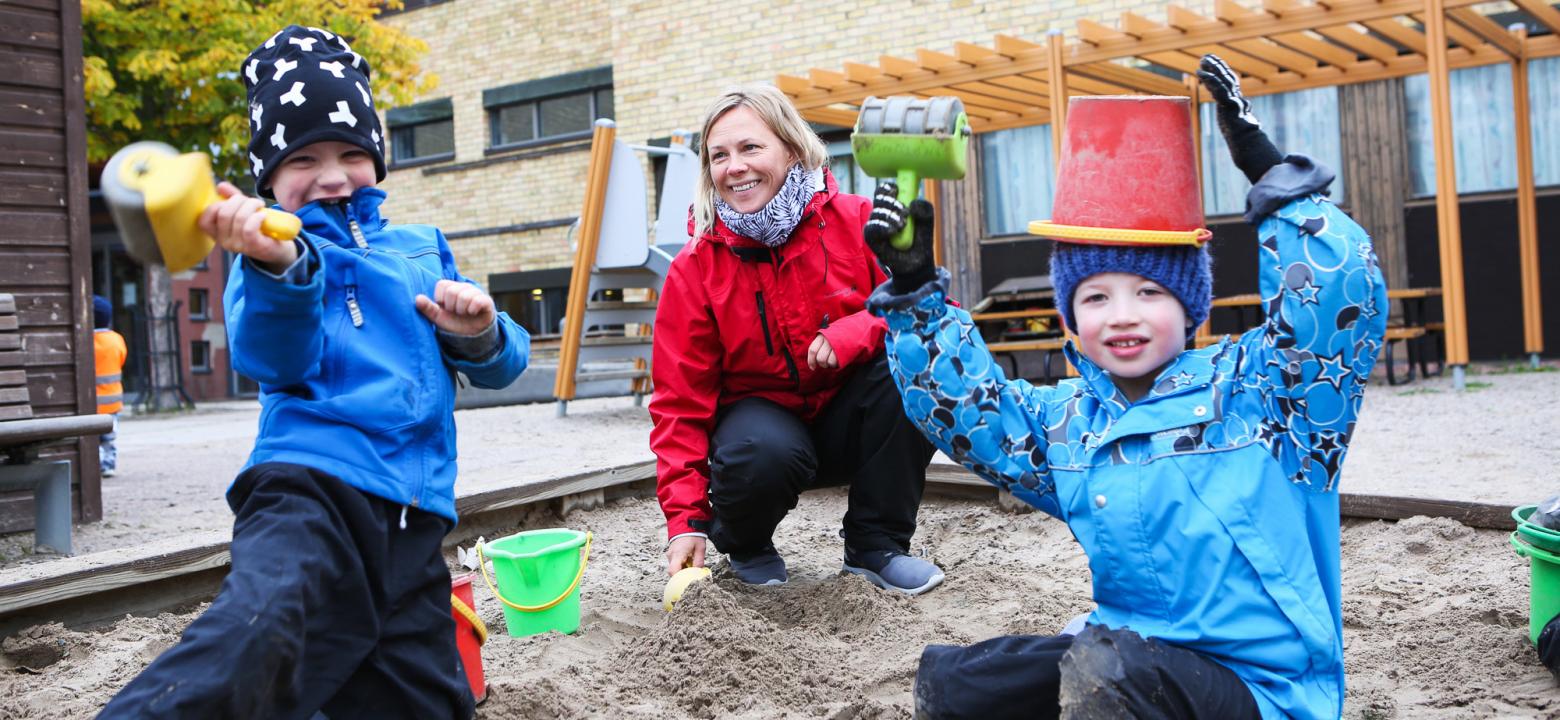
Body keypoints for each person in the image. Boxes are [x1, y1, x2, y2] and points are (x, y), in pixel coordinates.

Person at [862, 55, 1387, 719]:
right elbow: (970, 416)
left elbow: (1342, 300)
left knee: (1110, 669)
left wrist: (1278, 184)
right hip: (1127, 664)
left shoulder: (1268, 399)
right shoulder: (1073, 425)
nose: (1123, 315)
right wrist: (914, 294)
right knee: (969, 681)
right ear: (1071, 313)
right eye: (1095, 296)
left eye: (1149, 291)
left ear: (1190, 304)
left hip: (1262, 694)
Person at [98, 26, 529, 720]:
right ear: (269, 177)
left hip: (412, 520)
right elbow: (273, 358)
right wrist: (279, 268)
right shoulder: (270, 255)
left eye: (351, 153)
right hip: (309, 495)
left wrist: (480, 329)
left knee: (426, 699)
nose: (332, 174)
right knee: (260, 631)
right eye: (304, 157)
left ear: (377, 161)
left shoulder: (420, 250)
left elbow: (507, 365)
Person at [650, 83, 942, 594]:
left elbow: (929, 313)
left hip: (851, 423)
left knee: (910, 366)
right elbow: (679, 403)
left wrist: (857, 329)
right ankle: (747, 545)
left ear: (791, 148)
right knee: (761, 449)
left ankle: (876, 546)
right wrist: (685, 521)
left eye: (750, 148)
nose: (734, 166)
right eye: (719, 156)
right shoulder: (695, 266)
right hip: (763, 437)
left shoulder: (855, 221)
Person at [92, 294, 127, 478]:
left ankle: (97, 464)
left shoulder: (87, 342)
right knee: (110, 437)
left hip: (94, 402)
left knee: (94, 437)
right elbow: (122, 359)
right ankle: (109, 463)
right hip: (113, 400)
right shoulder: (116, 339)